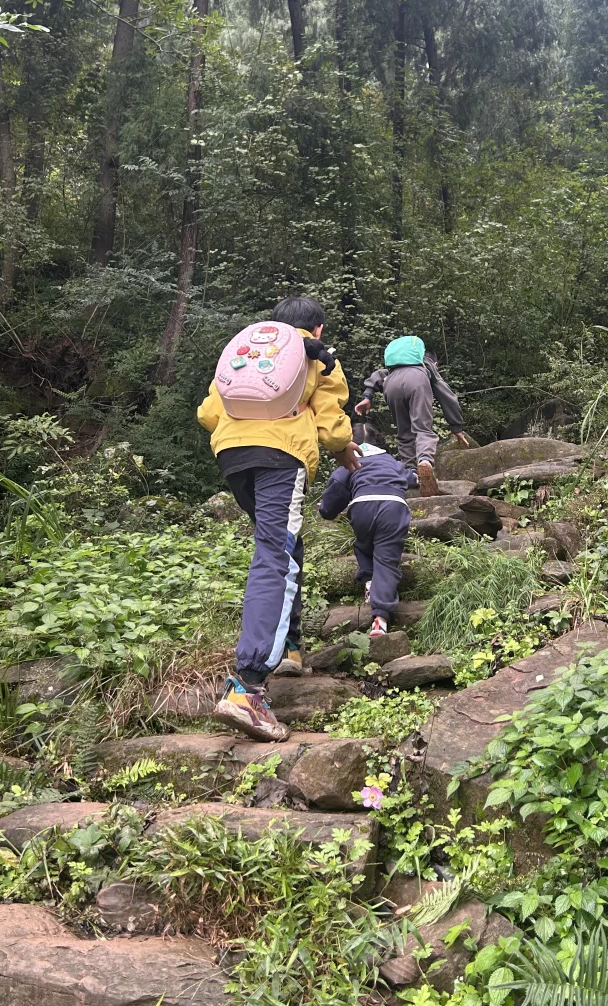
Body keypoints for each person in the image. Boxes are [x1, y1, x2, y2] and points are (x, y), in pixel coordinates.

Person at [197, 295, 360, 742]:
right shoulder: (317, 357)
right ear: (318, 328)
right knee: (275, 555)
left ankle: (290, 648)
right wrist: (343, 449)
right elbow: (332, 428)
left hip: (232, 456)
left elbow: (209, 413)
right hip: (281, 457)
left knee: (286, 544)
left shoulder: (252, 352)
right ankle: (248, 687)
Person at [317, 422, 417, 635]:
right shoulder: (390, 461)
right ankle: (380, 617)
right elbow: (410, 478)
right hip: (393, 507)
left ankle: (370, 581)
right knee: (387, 559)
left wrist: (326, 510)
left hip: (362, 506)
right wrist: (417, 476)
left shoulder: (348, 463)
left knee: (363, 545)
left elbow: (334, 495)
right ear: (378, 442)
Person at [356, 336, 470, 496]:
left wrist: (367, 396)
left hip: (391, 385)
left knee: (404, 433)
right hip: (416, 381)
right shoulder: (427, 366)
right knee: (423, 429)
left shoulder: (393, 368)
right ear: (435, 363)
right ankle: (425, 462)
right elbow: (447, 396)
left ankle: (411, 472)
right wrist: (456, 426)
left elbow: (377, 375)